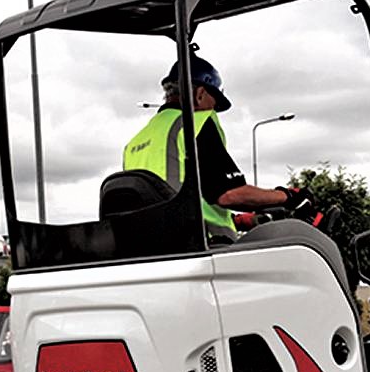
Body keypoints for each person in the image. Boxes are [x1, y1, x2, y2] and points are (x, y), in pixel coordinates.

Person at [123, 53, 310, 236]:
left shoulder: (134, 143)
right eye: (214, 102)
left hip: (153, 246)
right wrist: (288, 196)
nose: (213, 110)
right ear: (200, 94)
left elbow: (174, 200)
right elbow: (230, 194)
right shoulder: (194, 123)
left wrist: (238, 221)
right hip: (200, 245)